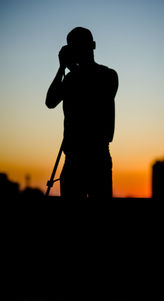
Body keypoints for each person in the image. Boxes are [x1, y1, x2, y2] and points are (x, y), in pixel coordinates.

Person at [45, 27, 118, 200]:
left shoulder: (108, 75)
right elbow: (50, 102)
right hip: (72, 159)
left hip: (97, 157)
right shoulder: (70, 79)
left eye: (79, 46)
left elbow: (94, 96)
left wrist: (72, 70)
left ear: (92, 46)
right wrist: (61, 68)